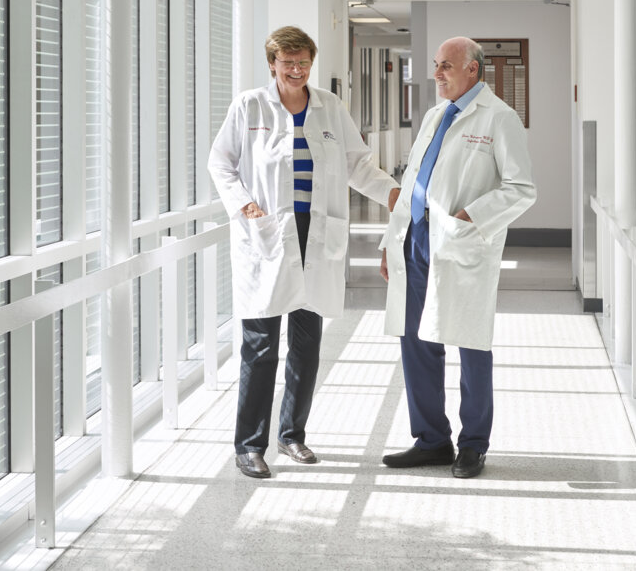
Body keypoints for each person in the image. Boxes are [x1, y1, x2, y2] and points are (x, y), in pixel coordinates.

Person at [209, 26, 400, 478]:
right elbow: (221, 161)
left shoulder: (330, 107)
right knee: (260, 348)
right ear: (272, 63)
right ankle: (249, 445)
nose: (296, 71)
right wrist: (242, 203)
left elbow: (357, 164)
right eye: (288, 63)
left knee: (307, 346)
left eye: (303, 63)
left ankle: (292, 436)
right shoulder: (250, 106)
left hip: (316, 236)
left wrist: (392, 194)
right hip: (268, 236)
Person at [379, 36, 535, 478]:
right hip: (416, 238)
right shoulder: (433, 115)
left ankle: (473, 444)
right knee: (416, 341)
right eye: (436, 65)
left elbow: (522, 188)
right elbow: (412, 181)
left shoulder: (500, 118)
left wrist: (471, 216)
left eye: (447, 65)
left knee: (470, 342)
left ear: (473, 69)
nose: (437, 73)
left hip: (460, 241)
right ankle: (431, 440)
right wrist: (391, 240)